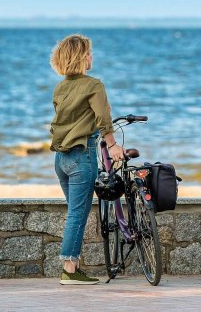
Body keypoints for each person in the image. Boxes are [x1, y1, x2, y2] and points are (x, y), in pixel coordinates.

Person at [48, 33, 124, 285]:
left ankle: (74, 267)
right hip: (82, 156)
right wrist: (112, 145)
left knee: (75, 212)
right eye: (89, 53)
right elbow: (104, 120)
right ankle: (69, 269)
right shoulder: (94, 85)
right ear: (81, 58)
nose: (92, 56)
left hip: (61, 159)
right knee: (77, 214)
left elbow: (70, 118)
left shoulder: (60, 87)